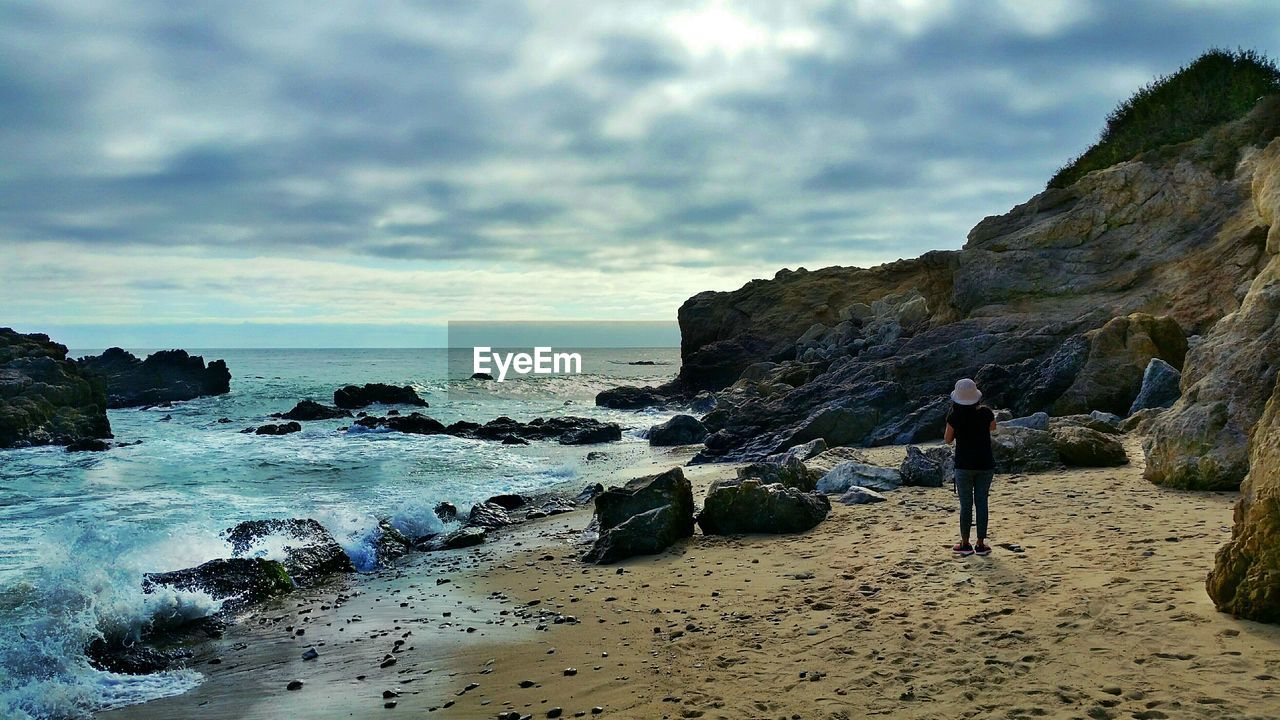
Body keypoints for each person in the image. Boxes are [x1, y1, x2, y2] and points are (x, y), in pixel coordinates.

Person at [943, 378, 996, 556]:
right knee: (982, 502)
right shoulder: (986, 413)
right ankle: (981, 544)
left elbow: (948, 439)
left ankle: (965, 544)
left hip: (964, 465)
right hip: (985, 463)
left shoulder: (954, 416)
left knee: (966, 504)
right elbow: (993, 428)